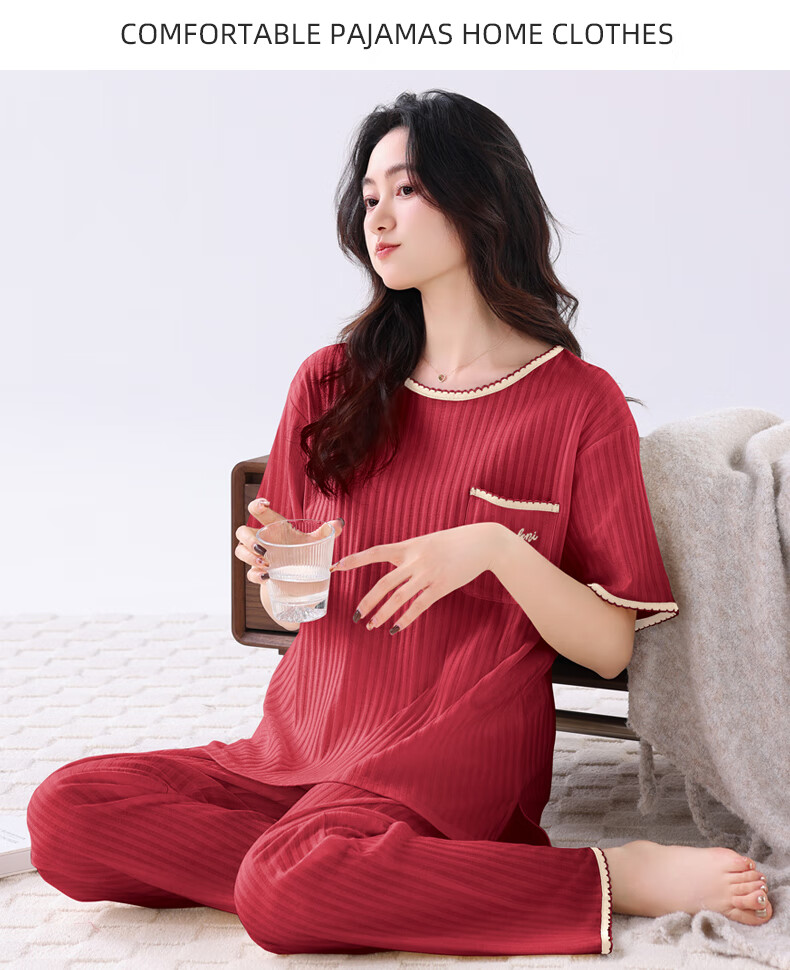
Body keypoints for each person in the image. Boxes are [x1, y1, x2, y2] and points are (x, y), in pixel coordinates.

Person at [26, 89, 772, 956]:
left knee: (286, 887)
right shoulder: (328, 382)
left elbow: (610, 647)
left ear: (481, 198)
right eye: (370, 195)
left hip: (449, 757)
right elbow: (297, 607)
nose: (377, 216)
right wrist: (277, 570)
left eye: (407, 189)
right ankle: (345, 871)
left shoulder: (578, 402)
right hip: (302, 740)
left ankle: (609, 874)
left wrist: (493, 549)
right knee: (66, 814)